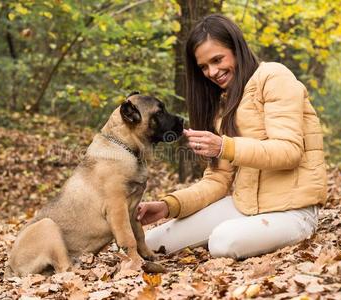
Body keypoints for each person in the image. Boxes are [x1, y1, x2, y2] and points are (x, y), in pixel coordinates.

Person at [135, 14, 327, 259]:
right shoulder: (222, 106)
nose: (212, 72)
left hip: (293, 211)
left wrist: (224, 146)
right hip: (244, 207)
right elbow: (218, 179)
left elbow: (289, 151)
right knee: (149, 243)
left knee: (223, 242)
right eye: (203, 67)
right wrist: (168, 206)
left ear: (237, 49)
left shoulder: (274, 77)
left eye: (217, 59)